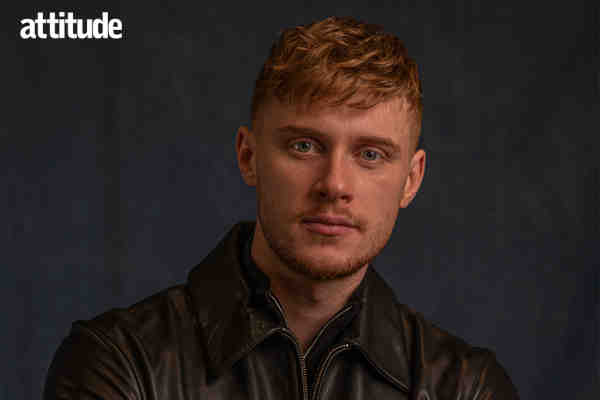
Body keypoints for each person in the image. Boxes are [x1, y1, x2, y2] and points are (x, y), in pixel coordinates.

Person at [44, 16, 519, 399]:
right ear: (248, 157)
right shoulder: (121, 361)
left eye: (371, 155)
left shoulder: (465, 387)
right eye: (304, 146)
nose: (334, 185)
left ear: (411, 179)